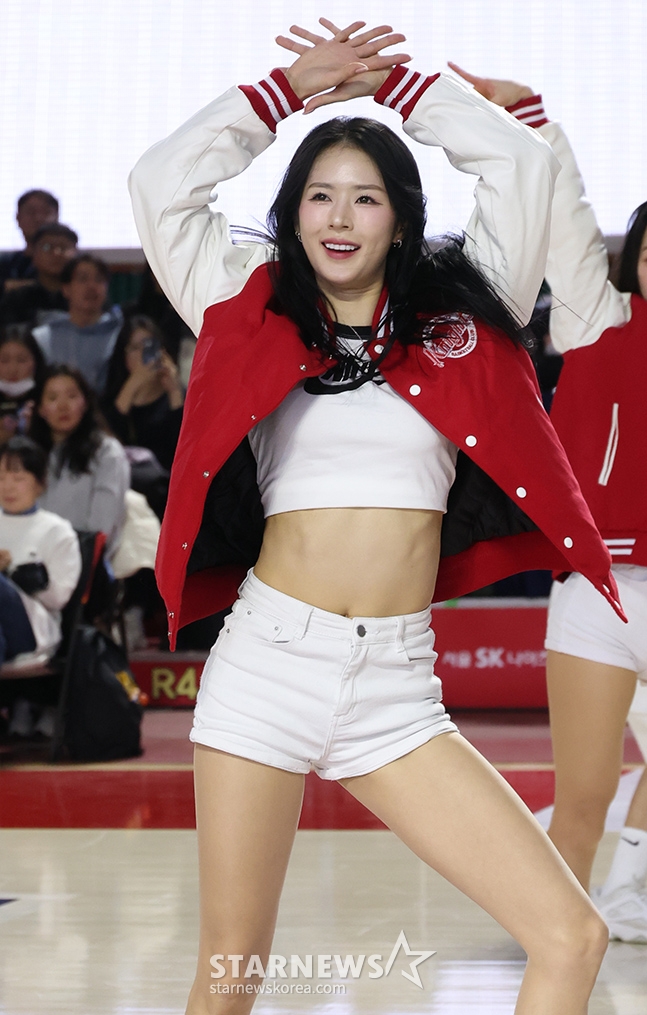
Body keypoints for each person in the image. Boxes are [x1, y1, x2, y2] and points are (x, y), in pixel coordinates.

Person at [129, 20, 619, 1014]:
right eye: (319, 195)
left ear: (400, 217)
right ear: (292, 214)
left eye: (366, 196)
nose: (340, 216)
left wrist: (405, 88)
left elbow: (520, 167)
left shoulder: (465, 316)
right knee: (230, 969)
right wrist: (280, 92)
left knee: (571, 936)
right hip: (266, 666)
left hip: (394, 687)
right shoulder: (243, 304)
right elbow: (159, 185)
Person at [447, 65, 647, 944]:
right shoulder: (597, 319)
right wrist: (528, 116)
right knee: (584, 791)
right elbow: (566, 213)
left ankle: (630, 895)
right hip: (599, 590)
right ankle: (551, 931)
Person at [0, 435, 81, 736]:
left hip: (33, 629)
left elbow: (59, 598)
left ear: (39, 482)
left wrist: (24, 579)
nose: (8, 486)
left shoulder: (56, 531)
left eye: (18, 478)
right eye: (1, 478)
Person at [29, 365, 129, 559]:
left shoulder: (106, 452)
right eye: (52, 398)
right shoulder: (30, 454)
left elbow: (102, 529)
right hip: (29, 558)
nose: (63, 406)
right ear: (40, 409)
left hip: (82, 560)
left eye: (72, 396)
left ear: (85, 402)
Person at [102, 315, 184, 472]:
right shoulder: (110, 399)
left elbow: (183, 450)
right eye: (134, 348)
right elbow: (108, 443)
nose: (142, 354)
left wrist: (175, 393)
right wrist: (132, 385)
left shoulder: (179, 396)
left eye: (149, 345)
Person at [32, 254, 122, 395]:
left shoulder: (120, 333)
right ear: (66, 289)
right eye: (83, 279)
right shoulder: (44, 336)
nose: (91, 286)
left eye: (99, 280)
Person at [0, 223, 78, 326]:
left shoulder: (85, 297)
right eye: (47, 247)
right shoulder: (16, 299)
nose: (56, 253)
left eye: (63, 247)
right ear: (33, 254)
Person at [0, 189, 60, 293]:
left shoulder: (70, 264)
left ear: (57, 217)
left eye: (45, 212)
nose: (38, 218)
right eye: (31, 212)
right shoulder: (5, 264)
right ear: (18, 218)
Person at [0, 328, 46, 445]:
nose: (12, 369)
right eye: (4, 361)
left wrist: (33, 431)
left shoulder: (46, 400)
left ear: (36, 362)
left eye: (21, 360)